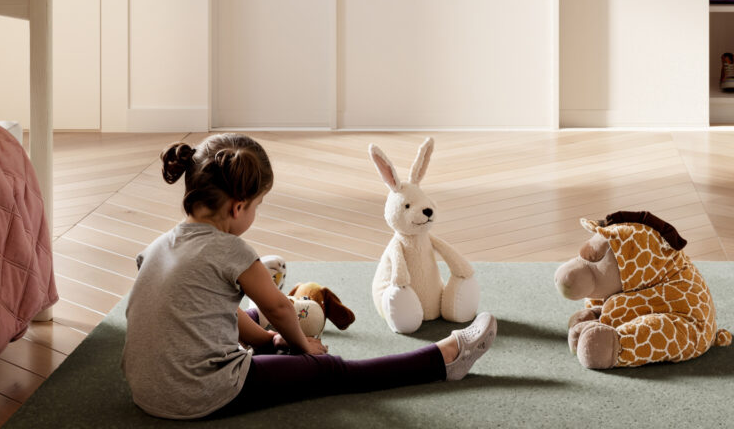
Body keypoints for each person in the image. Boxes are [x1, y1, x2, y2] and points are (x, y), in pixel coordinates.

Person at [123, 134, 496, 420]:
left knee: (230, 311)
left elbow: (203, 311)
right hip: (201, 393)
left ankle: (258, 299)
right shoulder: (232, 250)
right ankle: (446, 357)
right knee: (328, 369)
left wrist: (268, 341)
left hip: (146, 390)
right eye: (257, 206)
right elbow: (282, 313)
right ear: (238, 207)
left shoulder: (155, 248)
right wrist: (303, 346)